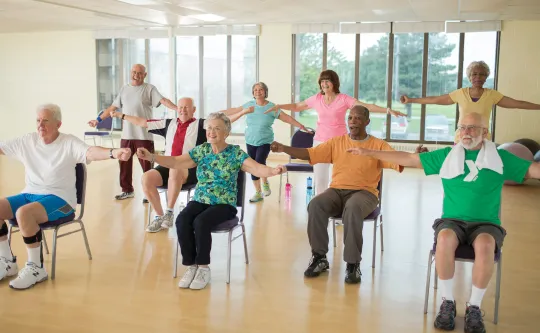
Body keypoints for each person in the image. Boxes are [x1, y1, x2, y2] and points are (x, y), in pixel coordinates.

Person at [346, 112, 540, 333]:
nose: (466, 132)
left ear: (485, 132)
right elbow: (411, 159)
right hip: (452, 221)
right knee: (445, 238)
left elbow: (533, 170)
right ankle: (447, 301)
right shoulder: (449, 155)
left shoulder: (500, 157)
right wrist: (368, 151)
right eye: (463, 127)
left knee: (485, 245)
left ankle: (474, 307)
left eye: (473, 128)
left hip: (486, 223)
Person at [136, 112, 286, 290]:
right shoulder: (202, 150)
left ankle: (203, 268)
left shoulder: (235, 153)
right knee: (182, 219)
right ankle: (191, 266)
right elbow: (176, 161)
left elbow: (257, 168)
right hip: (200, 200)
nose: (211, 132)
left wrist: (273, 171)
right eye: (209, 128)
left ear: (226, 133)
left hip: (224, 204)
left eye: (217, 128)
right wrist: (152, 157)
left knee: (201, 222)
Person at [0, 104, 131, 290]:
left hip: (61, 201)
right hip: (30, 193)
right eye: (38, 120)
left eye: (45, 121)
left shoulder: (68, 142)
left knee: (24, 214)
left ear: (58, 124)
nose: (40, 125)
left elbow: (91, 152)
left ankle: (36, 268)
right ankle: (6, 261)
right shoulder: (27, 141)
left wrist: (113, 153)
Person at [270, 105, 403, 284]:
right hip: (337, 191)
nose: (353, 121)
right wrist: (284, 148)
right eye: (350, 118)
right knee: (316, 204)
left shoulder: (377, 145)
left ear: (367, 121)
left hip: (365, 193)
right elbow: (310, 153)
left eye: (358, 118)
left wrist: (416, 155)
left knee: (353, 207)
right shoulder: (337, 142)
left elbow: (397, 158)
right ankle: (319, 258)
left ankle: (352, 264)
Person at [265, 69, 405, 196]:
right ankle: (322, 207)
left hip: (341, 143)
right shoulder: (317, 99)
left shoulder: (343, 99)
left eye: (328, 81)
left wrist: (387, 110)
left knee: (341, 178)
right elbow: (296, 106)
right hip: (320, 142)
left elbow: (365, 106)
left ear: (334, 83)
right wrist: (279, 106)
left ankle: (340, 207)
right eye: (322, 81)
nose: (324, 84)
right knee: (320, 179)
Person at [110, 97, 206, 233]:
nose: (183, 110)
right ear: (177, 109)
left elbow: (223, 120)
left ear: (194, 110)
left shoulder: (201, 124)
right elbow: (142, 122)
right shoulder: (168, 123)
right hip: (168, 164)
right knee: (146, 178)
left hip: (189, 168)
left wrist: (242, 112)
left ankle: (170, 212)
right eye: (180, 107)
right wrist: (121, 115)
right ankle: (160, 216)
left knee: (175, 169)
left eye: (186, 107)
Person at [88, 64, 178, 201]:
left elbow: (163, 100)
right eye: (134, 72)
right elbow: (112, 107)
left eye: (140, 73)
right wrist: (98, 120)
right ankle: (127, 190)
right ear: (131, 73)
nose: (136, 75)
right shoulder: (124, 89)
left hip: (144, 134)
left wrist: (178, 108)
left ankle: (149, 190)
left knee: (147, 165)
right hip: (127, 135)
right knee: (124, 163)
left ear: (145, 75)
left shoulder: (149, 89)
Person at [401, 60, 540, 141]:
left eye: (482, 74)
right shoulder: (460, 93)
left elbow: (518, 103)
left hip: (483, 139)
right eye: (474, 74)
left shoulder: (492, 95)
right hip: (462, 138)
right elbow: (435, 99)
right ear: (469, 76)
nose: (478, 77)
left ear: (486, 77)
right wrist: (411, 100)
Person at [221, 82, 311, 203]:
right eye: (255, 90)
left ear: (265, 92)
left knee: (259, 161)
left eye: (261, 89)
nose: (258, 91)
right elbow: (234, 110)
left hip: (265, 141)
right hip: (250, 140)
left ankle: (265, 182)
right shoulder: (249, 105)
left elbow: (286, 118)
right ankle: (258, 192)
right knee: (253, 166)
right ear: (253, 93)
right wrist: (219, 113)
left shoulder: (272, 107)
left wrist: (300, 126)